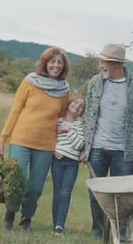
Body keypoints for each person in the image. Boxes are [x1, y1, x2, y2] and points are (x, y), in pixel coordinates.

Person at [80, 43, 133, 238]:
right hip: (97, 147)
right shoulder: (95, 82)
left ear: (115, 64)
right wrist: (84, 146)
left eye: (103, 61)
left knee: (123, 196)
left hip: (124, 150)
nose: (100, 65)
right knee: (95, 193)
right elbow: (89, 115)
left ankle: (120, 233)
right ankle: (98, 232)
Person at [0, 47, 71, 231]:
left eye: (59, 62)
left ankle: (26, 219)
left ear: (63, 67)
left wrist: (66, 134)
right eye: (52, 61)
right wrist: (2, 140)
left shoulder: (64, 90)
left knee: (36, 187)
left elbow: (62, 117)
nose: (56, 65)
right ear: (45, 63)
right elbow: (15, 111)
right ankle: (10, 214)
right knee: (17, 179)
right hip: (21, 139)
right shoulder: (29, 82)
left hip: (46, 145)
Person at [51, 97, 86, 235]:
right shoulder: (57, 121)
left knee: (65, 193)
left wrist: (67, 130)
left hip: (72, 163)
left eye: (81, 106)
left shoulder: (80, 126)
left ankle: (60, 225)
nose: (78, 106)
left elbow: (79, 145)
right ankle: (55, 223)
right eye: (76, 102)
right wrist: (54, 150)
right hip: (57, 162)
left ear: (81, 113)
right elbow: (49, 139)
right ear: (69, 104)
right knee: (57, 193)